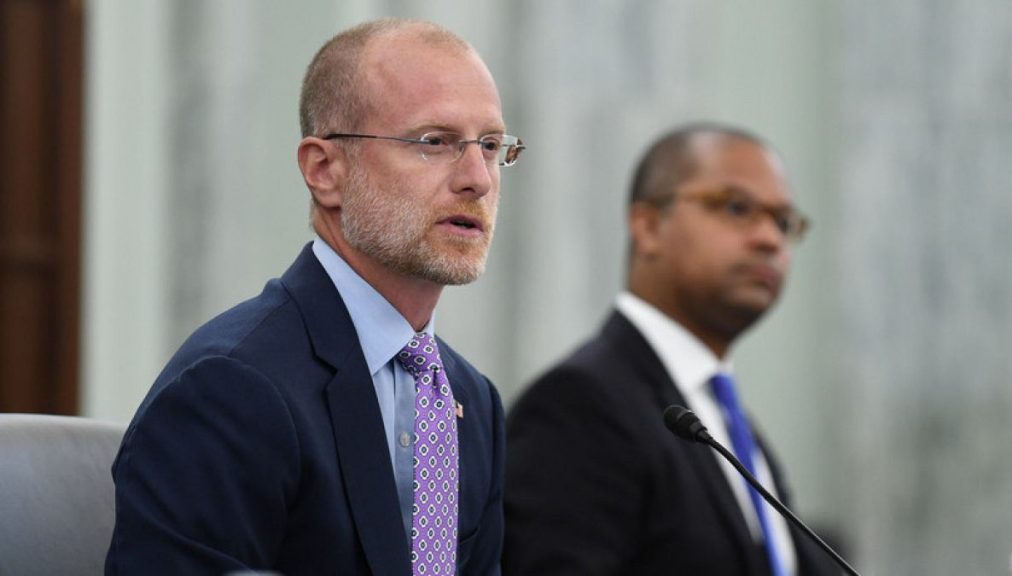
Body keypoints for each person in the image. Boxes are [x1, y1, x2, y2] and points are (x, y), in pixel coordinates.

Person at [106, 18, 524, 576]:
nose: (478, 177)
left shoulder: (470, 400)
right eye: (434, 143)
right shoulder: (230, 388)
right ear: (325, 170)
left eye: (491, 145)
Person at [502, 123, 838, 575]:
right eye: (737, 208)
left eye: (783, 222)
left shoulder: (725, 420)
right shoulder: (579, 404)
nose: (769, 239)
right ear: (648, 226)